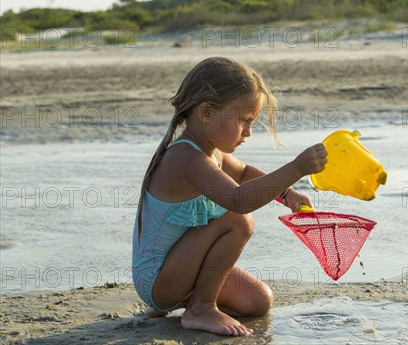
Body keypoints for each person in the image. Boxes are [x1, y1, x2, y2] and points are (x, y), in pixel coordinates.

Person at [132, 57, 327, 337]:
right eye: (244, 121)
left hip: (178, 277)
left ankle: (189, 300)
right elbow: (239, 200)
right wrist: (296, 168)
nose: (248, 132)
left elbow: (246, 172)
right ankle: (201, 307)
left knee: (258, 300)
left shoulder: (211, 152)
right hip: (159, 282)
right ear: (207, 113)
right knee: (238, 220)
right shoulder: (186, 157)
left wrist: (286, 194)